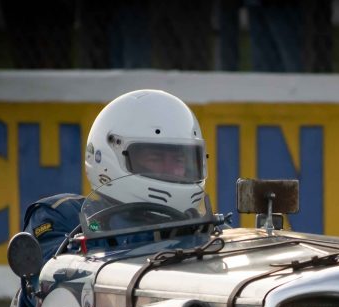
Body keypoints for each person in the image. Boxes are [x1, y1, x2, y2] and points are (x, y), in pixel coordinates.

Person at [21, 88, 207, 268]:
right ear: (107, 155)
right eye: (156, 158)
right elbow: (52, 281)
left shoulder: (200, 227)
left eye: (179, 159)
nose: (171, 170)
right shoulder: (63, 218)